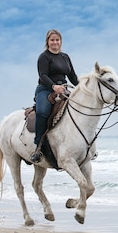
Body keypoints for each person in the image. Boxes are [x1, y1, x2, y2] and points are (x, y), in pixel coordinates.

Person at [30, 29, 79, 163]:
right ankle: (38, 146)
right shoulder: (44, 57)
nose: (55, 42)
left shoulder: (65, 57)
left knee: (78, 108)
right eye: (52, 40)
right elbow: (43, 75)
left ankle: (83, 146)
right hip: (45, 89)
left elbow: (72, 77)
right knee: (43, 112)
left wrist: (82, 88)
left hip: (63, 89)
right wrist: (53, 86)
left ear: (60, 41)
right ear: (48, 42)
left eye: (57, 40)